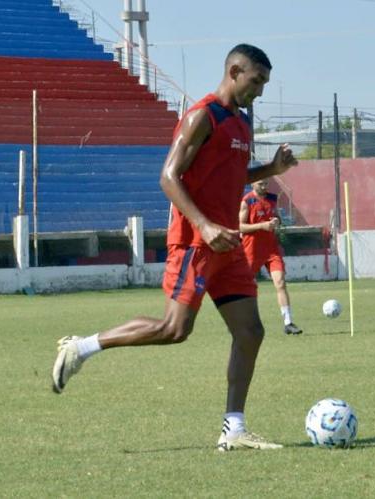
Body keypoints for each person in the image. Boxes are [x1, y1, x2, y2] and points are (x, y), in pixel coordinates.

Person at [51, 44, 297, 451]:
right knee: (174, 329)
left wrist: (271, 169)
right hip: (196, 242)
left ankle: (233, 428)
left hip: (227, 245)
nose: (261, 91)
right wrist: (203, 224)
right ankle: (82, 347)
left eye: (265, 83)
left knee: (250, 331)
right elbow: (168, 176)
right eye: (257, 81)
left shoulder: (241, 123)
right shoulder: (203, 116)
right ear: (234, 70)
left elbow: (228, 177)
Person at [239, 179, 302, 335]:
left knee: (280, 283)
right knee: (245, 288)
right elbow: (239, 227)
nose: (264, 186)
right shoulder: (246, 201)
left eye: (266, 183)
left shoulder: (273, 198)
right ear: (252, 184)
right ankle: (240, 322)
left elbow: (277, 217)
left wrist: (276, 221)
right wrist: (261, 225)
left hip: (271, 250)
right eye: (261, 184)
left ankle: (288, 323)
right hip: (251, 250)